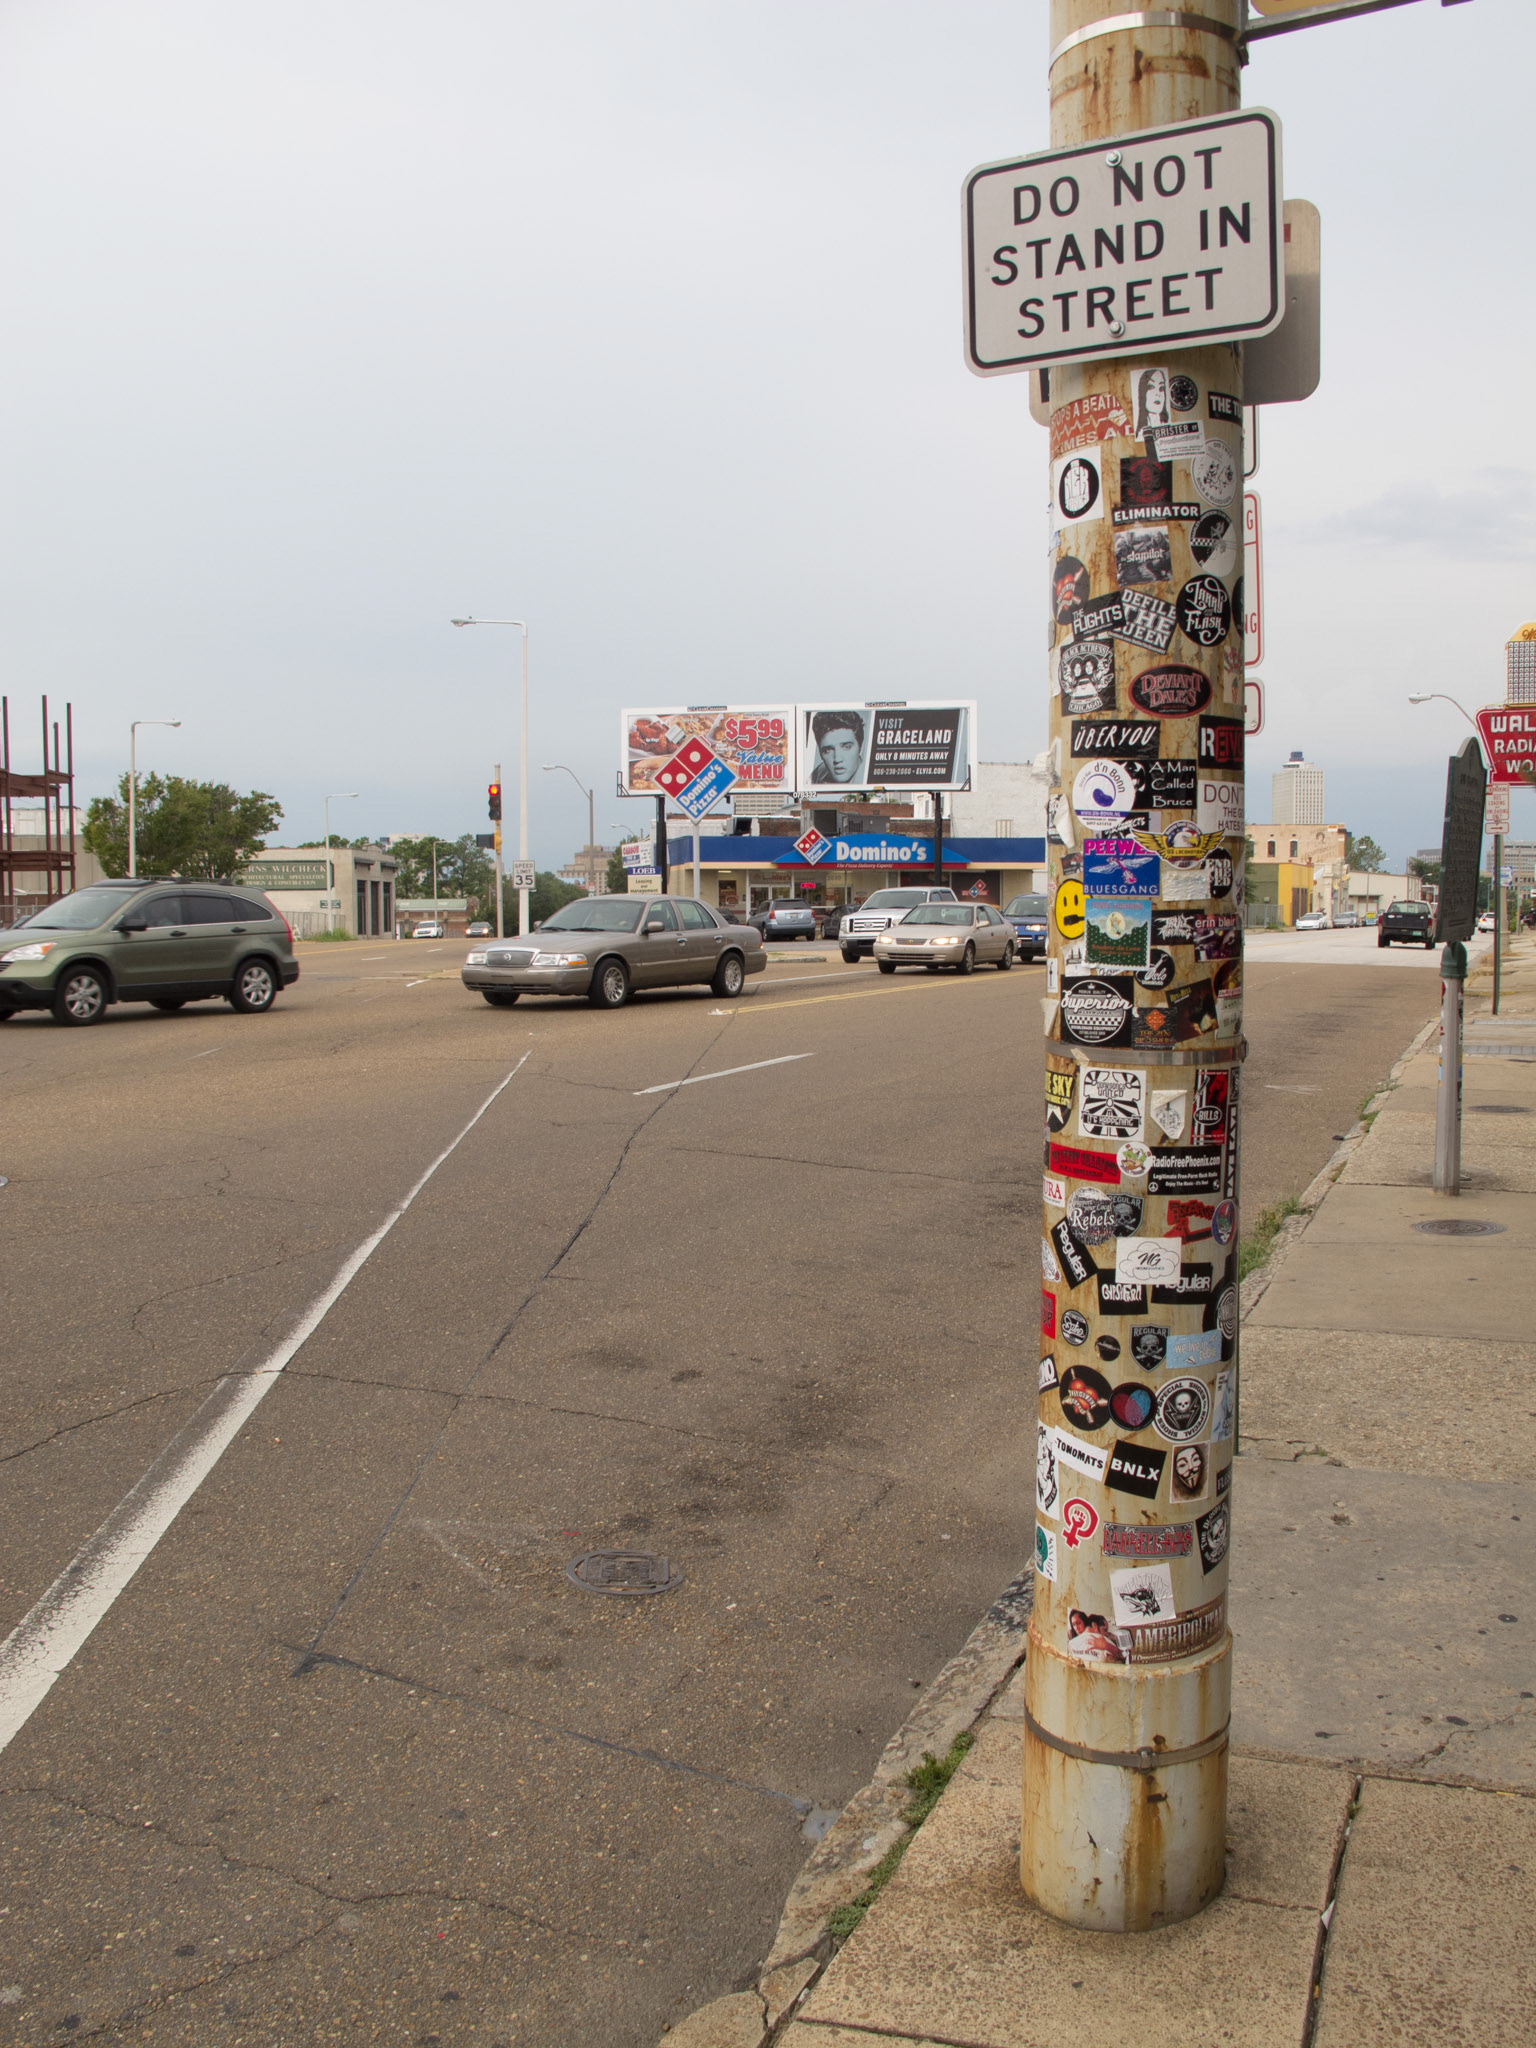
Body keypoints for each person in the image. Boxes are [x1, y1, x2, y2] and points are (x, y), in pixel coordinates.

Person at [810, 710, 865, 785]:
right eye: (828, 750)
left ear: (860, 747)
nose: (837, 759)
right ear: (820, 752)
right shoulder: (819, 773)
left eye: (847, 747)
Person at [1134, 365, 1171, 436]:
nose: (1158, 394)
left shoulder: (1167, 427)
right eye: (1151, 387)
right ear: (1143, 392)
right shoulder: (1140, 433)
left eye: (1161, 388)